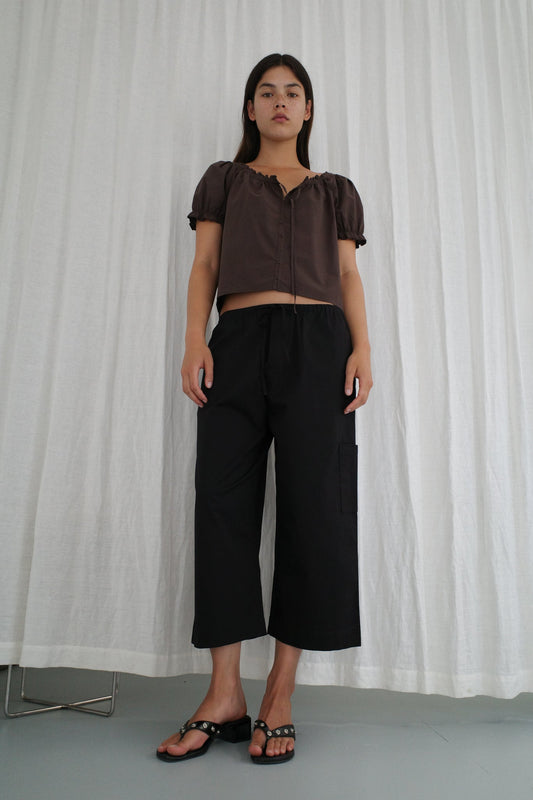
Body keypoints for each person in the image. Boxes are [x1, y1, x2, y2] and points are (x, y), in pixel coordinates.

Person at [157, 53, 372, 766]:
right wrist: (195, 338)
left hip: (319, 344)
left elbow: (346, 273)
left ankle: (278, 694)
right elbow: (204, 266)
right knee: (221, 506)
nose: (280, 102)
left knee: (314, 509)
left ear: (307, 111)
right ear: (250, 109)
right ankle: (224, 694)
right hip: (239, 340)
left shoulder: (334, 191)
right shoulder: (222, 180)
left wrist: (361, 349)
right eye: (266, 93)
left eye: (293, 93)